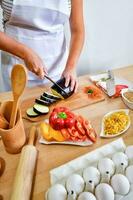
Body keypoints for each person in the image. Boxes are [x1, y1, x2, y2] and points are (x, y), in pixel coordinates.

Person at [0, 0, 84, 92]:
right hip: (16, 73)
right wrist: (24, 53)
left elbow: (78, 31)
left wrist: (71, 67)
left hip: (59, 74)